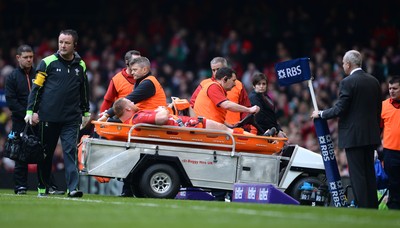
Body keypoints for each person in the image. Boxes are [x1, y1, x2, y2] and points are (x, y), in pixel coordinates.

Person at [311, 50, 381, 209]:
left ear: (348, 64)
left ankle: (363, 209)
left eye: (343, 63)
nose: (343, 65)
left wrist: (321, 113)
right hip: (371, 135)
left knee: (357, 175)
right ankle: (373, 208)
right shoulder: (374, 81)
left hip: (354, 137)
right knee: (369, 173)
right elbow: (378, 110)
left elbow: (340, 109)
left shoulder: (347, 82)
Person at [25, 29, 90, 197]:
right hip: (48, 118)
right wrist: (30, 110)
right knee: (45, 154)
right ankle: (42, 187)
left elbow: (84, 90)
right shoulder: (47, 62)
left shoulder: (81, 65)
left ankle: (73, 188)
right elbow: (36, 89)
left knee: (69, 152)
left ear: (75, 45)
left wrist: (86, 112)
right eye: (61, 42)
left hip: (71, 118)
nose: (63, 45)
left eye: (67, 43)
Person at [5, 45, 64, 195]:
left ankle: (48, 185)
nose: (29, 60)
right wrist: (28, 114)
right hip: (20, 120)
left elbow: (46, 96)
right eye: (26, 57)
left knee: (44, 153)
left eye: (31, 57)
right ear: (18, 58)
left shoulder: (40, 73)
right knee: (20, 154)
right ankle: (20, 186)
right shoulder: (12, 77)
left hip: (40, 119)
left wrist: (38, 114)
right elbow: (11, 102)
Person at [111, 98, 251, 135]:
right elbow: (161, 119)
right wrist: (164, 109)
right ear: (127, 108)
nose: (133, 102)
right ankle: (253, 138)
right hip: (189, 127)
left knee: (224, 129)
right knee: (225, 130)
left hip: (186, 124)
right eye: (130, 102)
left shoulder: (136, 117)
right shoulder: (136, 119)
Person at [190, 57, 252, 127]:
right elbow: (192, 105)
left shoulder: (238, 85)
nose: (216, 72)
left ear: (226, 68)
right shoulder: (207, 84)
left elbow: (245, 106)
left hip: (232, 128)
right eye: (213, 70)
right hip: (213, 129)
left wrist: (244, 126)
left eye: (218, 69)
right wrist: (196, 125)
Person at [101, 56, 167, 120]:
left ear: (144, 70)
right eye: (132, 70)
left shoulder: (148, 83)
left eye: (135, 70)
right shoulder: (142, 81)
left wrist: (108, 114)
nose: (132, 73)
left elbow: (127, 100)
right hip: (145, 116)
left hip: (151, 117)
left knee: (112, 120)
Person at [380, 76, 400, 210]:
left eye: (395, 88)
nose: (391, 91)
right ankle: (393, 209)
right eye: (390, 88)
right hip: (390, 153)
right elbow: (379, 128)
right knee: (393, 184)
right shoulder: (384, 106)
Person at [248, 73, 287, 137]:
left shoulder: (265, 96)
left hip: (271, 130)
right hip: (262, 132)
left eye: (264, 84)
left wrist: (279, 130)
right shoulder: (253, 97)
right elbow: (261, 118)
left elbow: (271, 117)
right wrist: (277, 131)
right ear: (254, 86)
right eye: (259, 84)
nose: (261, 86)